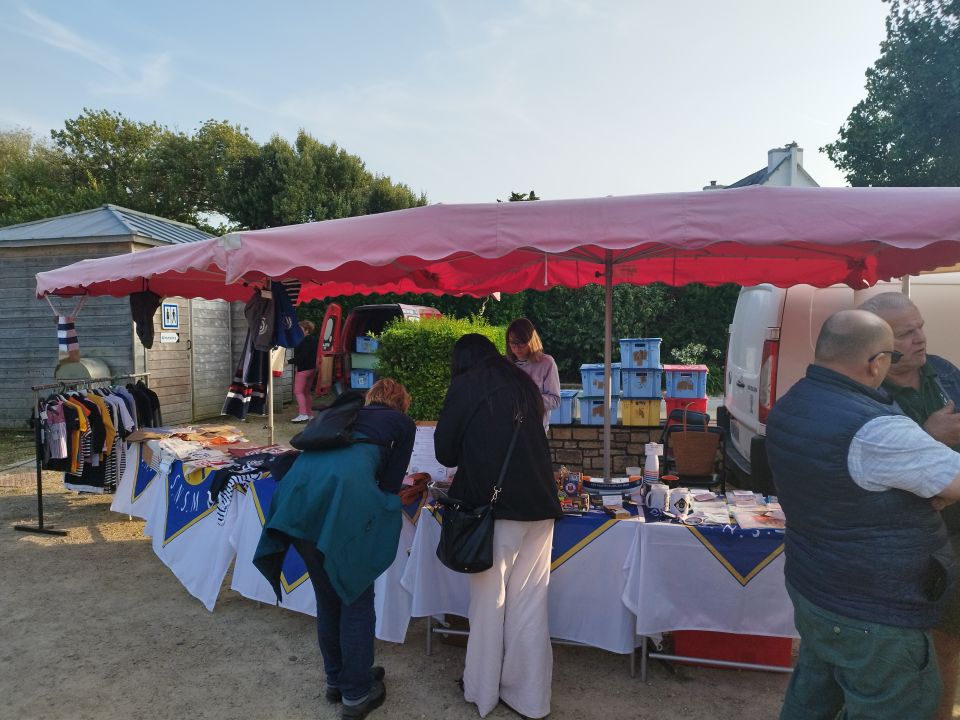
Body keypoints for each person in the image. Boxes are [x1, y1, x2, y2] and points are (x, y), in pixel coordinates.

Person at [766, 309, 960, 720]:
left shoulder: (792, 403)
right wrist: (935, 489)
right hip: (875, 610)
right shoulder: (878, 430)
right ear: (876, 364)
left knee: (812, 698)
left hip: (816, 587)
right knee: (894, 704)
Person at [254, 379, 416, 720]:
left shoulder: (343, 413)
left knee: (328, 597)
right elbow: (387, 486)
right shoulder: (401, 423)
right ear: (401, 404)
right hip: (339, 508)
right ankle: (356, 693)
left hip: (297, 504)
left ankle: (338, 680)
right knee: (354, 597)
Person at [434, 333, 563, 720]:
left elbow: (444, 451)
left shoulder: (466, 385)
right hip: (540, 504)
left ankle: (483, 691)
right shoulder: (522, 383)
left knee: (489, 605)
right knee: (529, 604)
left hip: (495, 510)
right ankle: (531, 699)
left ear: (462, 361)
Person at [858, 292, 960, 720]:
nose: (921, 339)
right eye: (906, 333)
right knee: (900, 645)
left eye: (919, 327)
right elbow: (869, 467)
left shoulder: (945, 372)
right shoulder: (866, 390)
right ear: (878, 346)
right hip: (902, 540)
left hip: (953, 529)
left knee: (949, 637)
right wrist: (929, 434)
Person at [505, 318, 561, 431]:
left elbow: (555, 400)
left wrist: (526, 400)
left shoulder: (546, 363)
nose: (516, 348)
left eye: (521, 343)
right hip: (509, 429)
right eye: (512, 343)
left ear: (531, 341)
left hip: (535, 430)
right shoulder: (505, 364)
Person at [291, 319, 319, 423]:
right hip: (312, 369)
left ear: (307, 330)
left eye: (300, 329)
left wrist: (288, 362)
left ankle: (302, 414)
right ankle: (309, 414)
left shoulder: (305, 340)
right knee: (306, 392)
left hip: (303, 370)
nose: (298, 331)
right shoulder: (314, 340)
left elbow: (302, 356)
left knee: (298, 392)